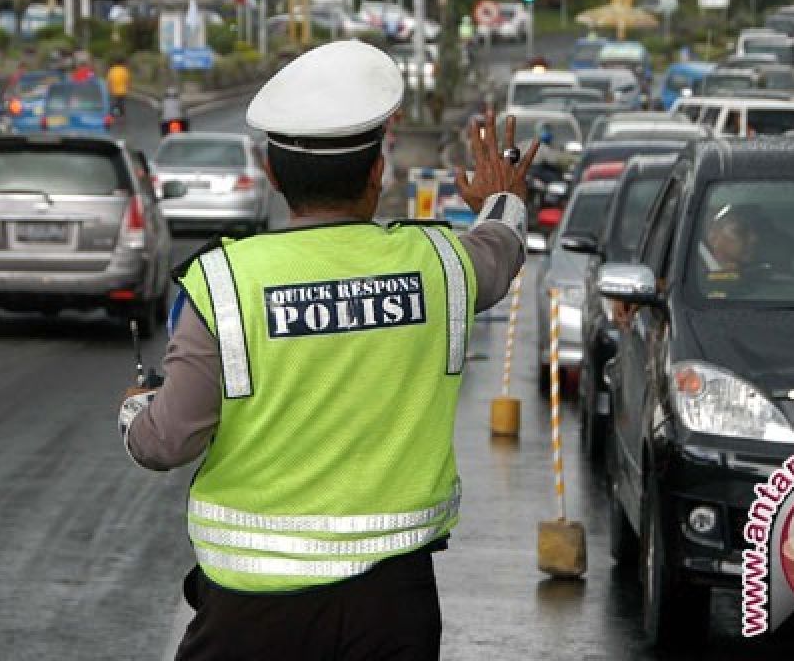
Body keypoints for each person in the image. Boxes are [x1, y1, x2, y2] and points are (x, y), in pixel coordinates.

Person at [119, 40, 539, 660]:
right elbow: (502, 246)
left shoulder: (227, 284)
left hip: (249, 617)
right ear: (378, 172)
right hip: (396, 610)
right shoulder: (441, 266)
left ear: (270, 171)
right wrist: (502, 197)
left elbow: (166, 441)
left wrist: (134, 409)